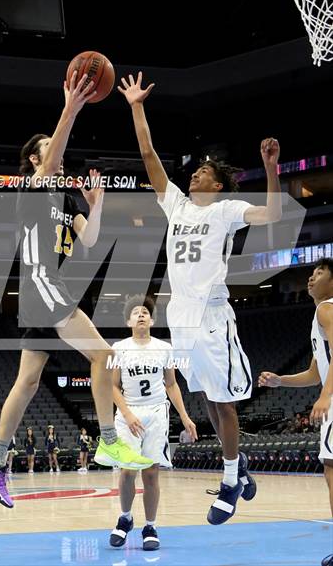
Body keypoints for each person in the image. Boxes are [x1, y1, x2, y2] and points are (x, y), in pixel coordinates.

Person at [0, 71, 153, 508]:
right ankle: (108, 439)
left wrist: (97, 205)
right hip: (42, 286)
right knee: (104, 355)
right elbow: (53, 160)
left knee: (29, 381)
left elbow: (89, 241)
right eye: (48, 154)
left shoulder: (66, 201)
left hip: (47, 290)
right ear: (36, 161)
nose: (59, 161)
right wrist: (71, 107)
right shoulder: (32, 189)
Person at [118, 71, 282, 525]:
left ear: (219, 186)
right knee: (208, 400)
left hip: (211, 316)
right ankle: (237, 465)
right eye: (195, 171)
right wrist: (136, 105)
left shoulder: (228, 210)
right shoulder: (177, 204)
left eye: (204, 172)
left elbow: (270, 213)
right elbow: (149, 154)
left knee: (223, 403)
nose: (195, 174)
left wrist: (270, 169)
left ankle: (230, 479)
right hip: (180, 317)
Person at [259, 258, 333, 566]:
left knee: (332, 469)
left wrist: (327, 396)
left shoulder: (326, 309)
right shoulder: (320, 315)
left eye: (320, 273)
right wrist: (281, 380)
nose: (311, 278)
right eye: (312, 273)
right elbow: (316, 373)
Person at [109, 294, 197, 550]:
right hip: (129, 413)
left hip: (157, 412)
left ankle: (150, 526)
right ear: (128, 321)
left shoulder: (165, 348)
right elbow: (113, 387)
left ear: (152, 319)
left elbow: (171, 384)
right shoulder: (119, 348)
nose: (141, 315)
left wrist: (184, 416)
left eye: (145, 312)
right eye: (136, 312)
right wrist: (126, 413)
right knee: (127, 471)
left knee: (151, 472)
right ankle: (125, 519)